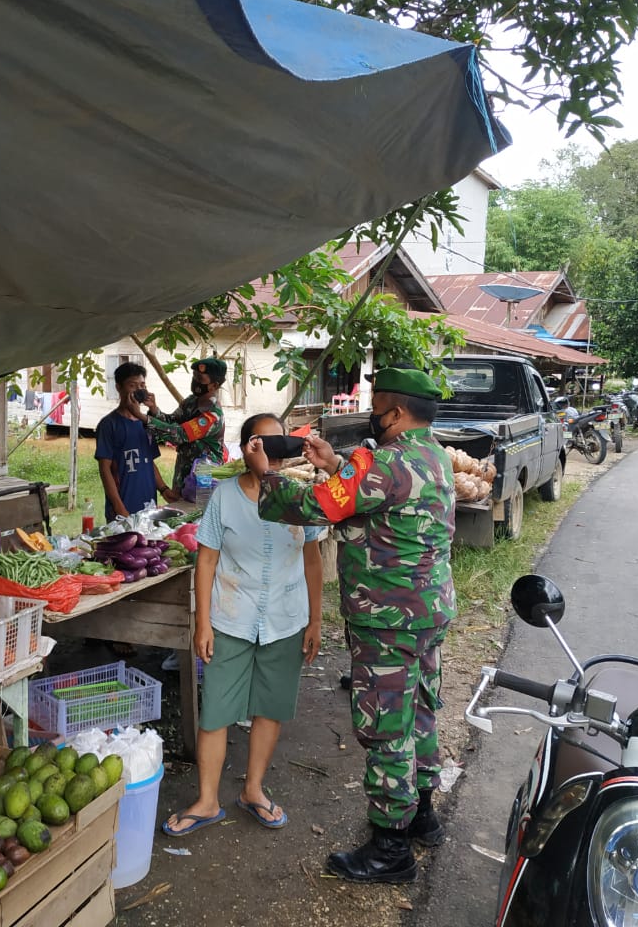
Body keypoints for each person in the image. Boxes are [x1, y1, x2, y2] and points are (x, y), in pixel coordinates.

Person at [242, 367, 455, 884]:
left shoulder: (385, 462)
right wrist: (338, 463)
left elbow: (317, 504)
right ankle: (422, 814)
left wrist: (266, 473)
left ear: (397, 413)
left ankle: (390, 848)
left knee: (386, 726)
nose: (373, 418)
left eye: (377, 409)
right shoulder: (434, 455)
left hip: (388, 619)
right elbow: (372, 492)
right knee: (420, 710)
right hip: (427, 611)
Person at [162, 413, 324, 838]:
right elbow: (207, 558)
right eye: (266, 443)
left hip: (285, 618)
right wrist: (203, 623)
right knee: (216, 708)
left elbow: (312, 560)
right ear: (251, 445)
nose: (275, 452)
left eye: (281, 444)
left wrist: (314, 620)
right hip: (231, 616)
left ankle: (253, 790)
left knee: (270, 706)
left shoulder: (298, 497)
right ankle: (207, 799)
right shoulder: (225, 498)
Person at [94, 363, 176, 522]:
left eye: (142, 385)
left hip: (148, 506)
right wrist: (119, 508)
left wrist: (164, 489)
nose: (139, 390)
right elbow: (105, 469)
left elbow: (148, 462)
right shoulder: (109, 424)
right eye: (133, 385)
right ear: (118, 387)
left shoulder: (146, 422)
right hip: (123, 507)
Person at [143, 357, 227, 495]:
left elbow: (180, 435)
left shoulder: (213, 415)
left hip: (203, 478)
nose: (195, 381)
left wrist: (146, 420)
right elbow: (171, 421)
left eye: (200, 379)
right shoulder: (191, 401)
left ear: (214, 385)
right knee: (180, 511)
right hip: (183, 472)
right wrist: (153, 409)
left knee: (198, 513)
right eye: (194, 376)